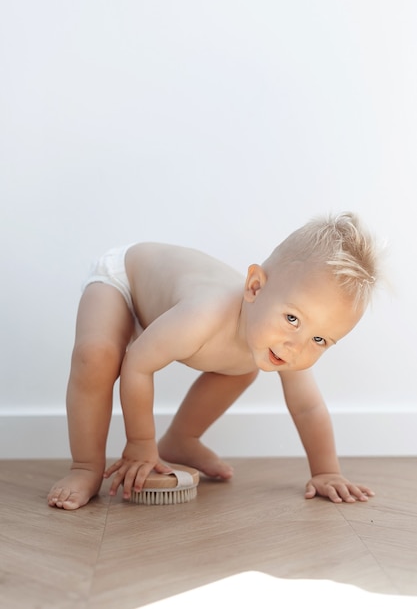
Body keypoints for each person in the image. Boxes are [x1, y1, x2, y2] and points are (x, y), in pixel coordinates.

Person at [47, 212, 382, 510]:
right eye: (292, 318)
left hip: (168, 316)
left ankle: (181, 440)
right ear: (254, 287)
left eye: (320, 340)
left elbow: (308, 408)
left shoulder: (279, 344)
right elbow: (138, 363)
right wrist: (140, 444)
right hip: (125, 283)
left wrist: (326, 472)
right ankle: (85, 467)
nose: (295, 345)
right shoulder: (203, 315)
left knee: (245, 368)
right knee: (96, 357)